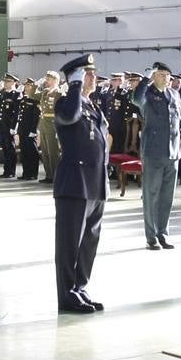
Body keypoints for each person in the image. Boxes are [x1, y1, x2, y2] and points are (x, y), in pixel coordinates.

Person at [52, 54, 109, 315]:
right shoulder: (66, 103)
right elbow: (70, 118)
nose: (93, 77)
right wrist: (73, 87)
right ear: (74, 78)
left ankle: (80, 288)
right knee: (69, 244)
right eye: (87, 74)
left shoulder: (93, 106)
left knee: (88, 243)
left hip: (95, 184)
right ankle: (66, 294)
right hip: (74, 184)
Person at [131, 62, 181, 250]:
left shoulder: (175, 95)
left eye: (167, 75)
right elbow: (136, 100)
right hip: (153, 152)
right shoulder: (147, 94)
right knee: (151, 195)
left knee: (167, 197)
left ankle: (163, 233)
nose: (166, 78)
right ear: (154, 76)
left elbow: (180, 124)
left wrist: (179, 150)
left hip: (172, 152)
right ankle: (151, 236)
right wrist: (145, 79)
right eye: (161, 74)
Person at [38, 71, 63, 183]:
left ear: (55, 80)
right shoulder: (45, 92)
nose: (46, 81)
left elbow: (61, 112)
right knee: (45, 152)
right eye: (46, 79)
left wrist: (59, 128)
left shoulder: (59, 94)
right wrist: (35, 85)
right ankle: (49, 175)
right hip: (43, 124)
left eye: (48, 79)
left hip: (53, 125)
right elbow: (32, 95)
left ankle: (56, 176)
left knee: (53, 153)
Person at [0, 74, 21, 178]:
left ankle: (11, 171)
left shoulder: (16, 94)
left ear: (14, 83)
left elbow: (16, 113)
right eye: (5, 82)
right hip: (2, 125)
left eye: (8, 81)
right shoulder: (3, 93)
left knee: (10, 149)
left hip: (9, 126)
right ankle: (6, 170)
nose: (5, 83)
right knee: (5, 148)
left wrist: (13, 127)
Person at [18, 78, 42, 180]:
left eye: (28, 86)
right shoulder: (24, 99)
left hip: (30, 129)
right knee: (24, 152)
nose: (26, 87)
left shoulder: (35, 100)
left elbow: (36, 116)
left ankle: (33, 173)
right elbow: (20, 116)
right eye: (26, 85)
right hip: (23, 129)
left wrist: (33, 130)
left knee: (32, 152)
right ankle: (26, 172)